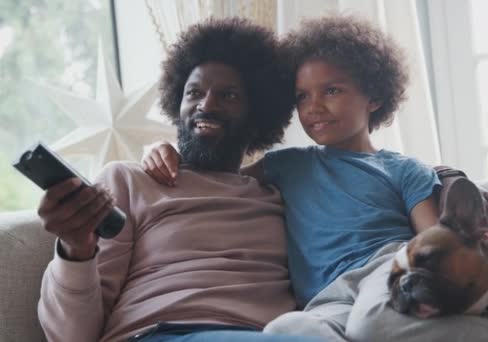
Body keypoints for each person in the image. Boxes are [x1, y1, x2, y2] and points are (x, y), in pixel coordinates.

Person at [143, 15, 488, 342]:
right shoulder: (286, 165)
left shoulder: (405, 169)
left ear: (374, 98)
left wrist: (462, 195)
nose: (314, 108)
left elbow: (437, 241)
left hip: (388, 272)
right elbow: (216, 177)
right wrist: (163, 150)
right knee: (284, 331)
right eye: (302, 96)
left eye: (331, 90)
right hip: (325, 300)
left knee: (372, 323)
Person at [36, 17, 326, 342]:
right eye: (194, 92)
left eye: (228, 96)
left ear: (256, 116)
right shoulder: (129, 181)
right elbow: (71, 336)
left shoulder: (279, 194)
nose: (206, 104)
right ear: (178, 102)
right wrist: (77, 249)